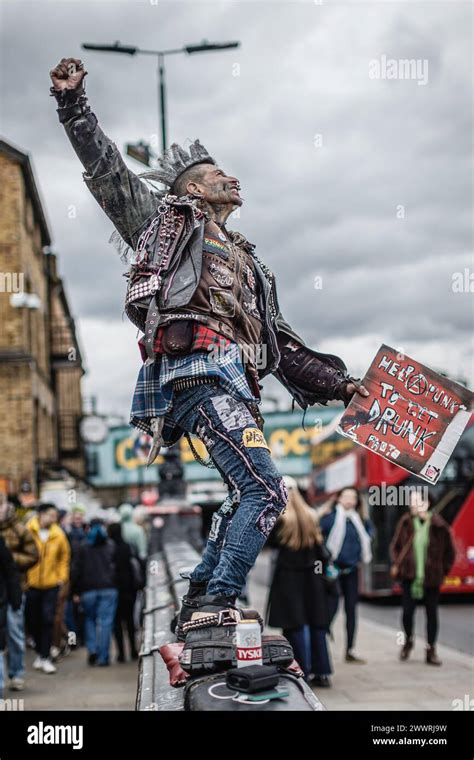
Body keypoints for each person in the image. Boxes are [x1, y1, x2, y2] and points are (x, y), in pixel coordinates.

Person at [49, 56, 369, 654]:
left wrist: (344, 385)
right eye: (220, 172)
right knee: (267, 492)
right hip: (199, 377)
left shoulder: (248, 264)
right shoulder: (168, 222)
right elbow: (108, 172)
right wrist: (74, 107)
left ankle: (201, 595)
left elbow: (281, 349)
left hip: (233, 383)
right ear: (194, 187)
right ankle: (216, 599)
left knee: (249, 492)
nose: (233, 178)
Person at [266, 477, 333, 687]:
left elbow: (270, 545)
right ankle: (322, 672)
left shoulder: (281, 519)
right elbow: (322, 553)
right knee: (316, 624)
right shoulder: (312, 515)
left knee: (294, 625)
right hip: (312, 577)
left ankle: (301, 669)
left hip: (288, 579)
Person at [390, 490, 455, 666]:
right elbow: (395, 546)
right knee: (407, 613)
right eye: (411, 501)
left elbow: (450, 552)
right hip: (409, 577)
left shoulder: (439, 525)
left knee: (431, 614)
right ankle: (408, 640)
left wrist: (443, 571)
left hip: (432, 578)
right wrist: (399, 563)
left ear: (426, 504)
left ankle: (431, 649)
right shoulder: (405, 522)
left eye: (416, 501)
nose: (412, 505)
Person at [320, 487, 373, 664]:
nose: (350, 500)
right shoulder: (330, 518)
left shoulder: (361, 520)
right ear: (338, 499)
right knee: (330, 609)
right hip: (333, 572)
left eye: (353, 497)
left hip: (352, 572)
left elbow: (369, 536)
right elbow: (319, 539)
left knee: (351, 611)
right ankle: (322, 646)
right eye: (346, 496)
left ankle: (350, 649)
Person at [26, 504, 70, 674]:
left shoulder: (58, 534)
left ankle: (45, 656)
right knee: (32, 619)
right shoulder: (29, 529)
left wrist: (61, 577)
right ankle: (39, 652)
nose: (54, 519)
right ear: (41, 515)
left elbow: (64, 556)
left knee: (47, 619)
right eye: (51, 515)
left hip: (51, 584)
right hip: (31, 583)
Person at [0, 498, 39, 691]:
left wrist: (10, 559)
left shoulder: (20, 530)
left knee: (15, 633)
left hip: (16, 587)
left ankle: (17, 673)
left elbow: (33, 555)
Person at [71, 520, 117, 666]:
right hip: (108, 588)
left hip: (88, 590)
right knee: (105, 623)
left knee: (89, 620)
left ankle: (92, 650)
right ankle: (103, 656)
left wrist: (75, 591)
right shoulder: (110, 545)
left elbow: (75, 570)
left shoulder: (83, 547)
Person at [108, 522, 139, 662]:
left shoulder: (109, 548)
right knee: (130, 621)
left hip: (114, 589)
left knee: (117, 623)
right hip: (129, 589)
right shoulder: (127, 546)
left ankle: (121, 653)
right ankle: (133, 650)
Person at [0, 536, 22, 699]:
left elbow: (11, 572)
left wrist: (15, 600)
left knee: (13, 636)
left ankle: (16, 673)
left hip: (4, 600)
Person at [64, 506, 87, 647]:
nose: (78, 520)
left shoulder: (85, 534)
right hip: (72, 578)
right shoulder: (69, 535)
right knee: (71, 612)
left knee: (80, 612)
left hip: (81, 578)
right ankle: (74, 639)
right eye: (76, 517)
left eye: (80, 517)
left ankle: (80, 638)